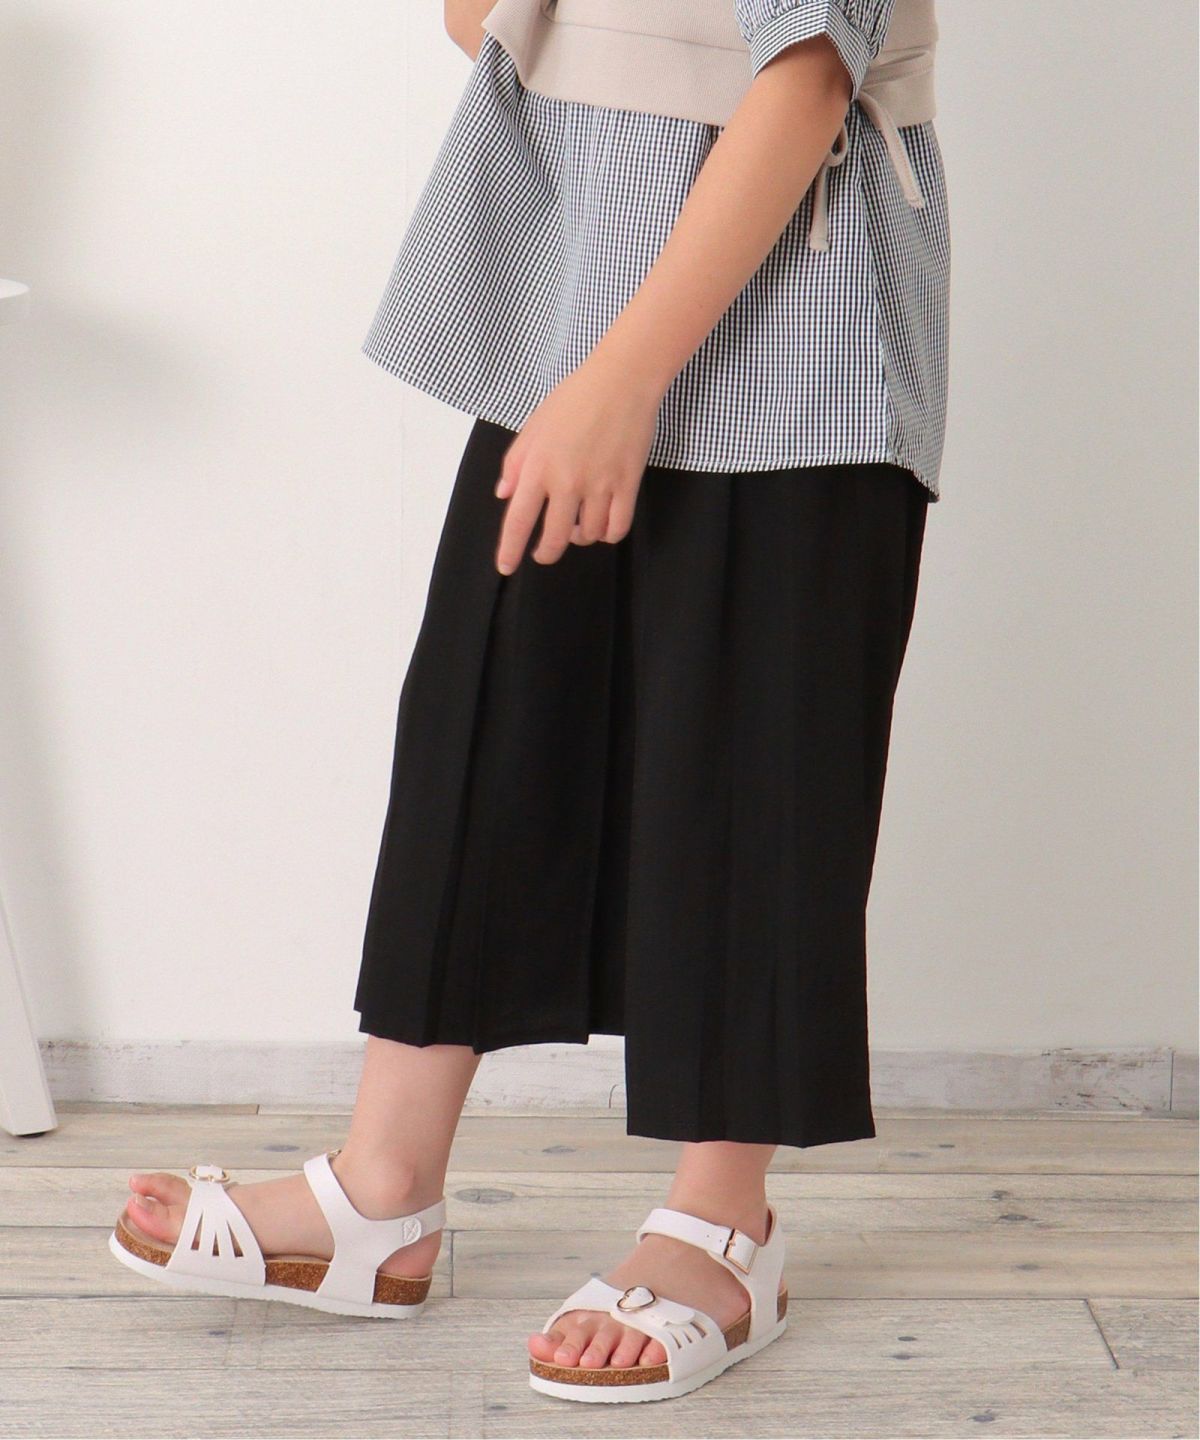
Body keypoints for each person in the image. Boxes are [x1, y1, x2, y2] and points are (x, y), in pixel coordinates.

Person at [108, 0, 948, 1406]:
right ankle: (384, 1184)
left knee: (748, 779)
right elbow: (484, 22)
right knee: (485, 729)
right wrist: (596, 373)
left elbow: (806, 82)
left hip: (789, 345)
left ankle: (722, 1223)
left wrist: (624, 381)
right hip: (579, 308)